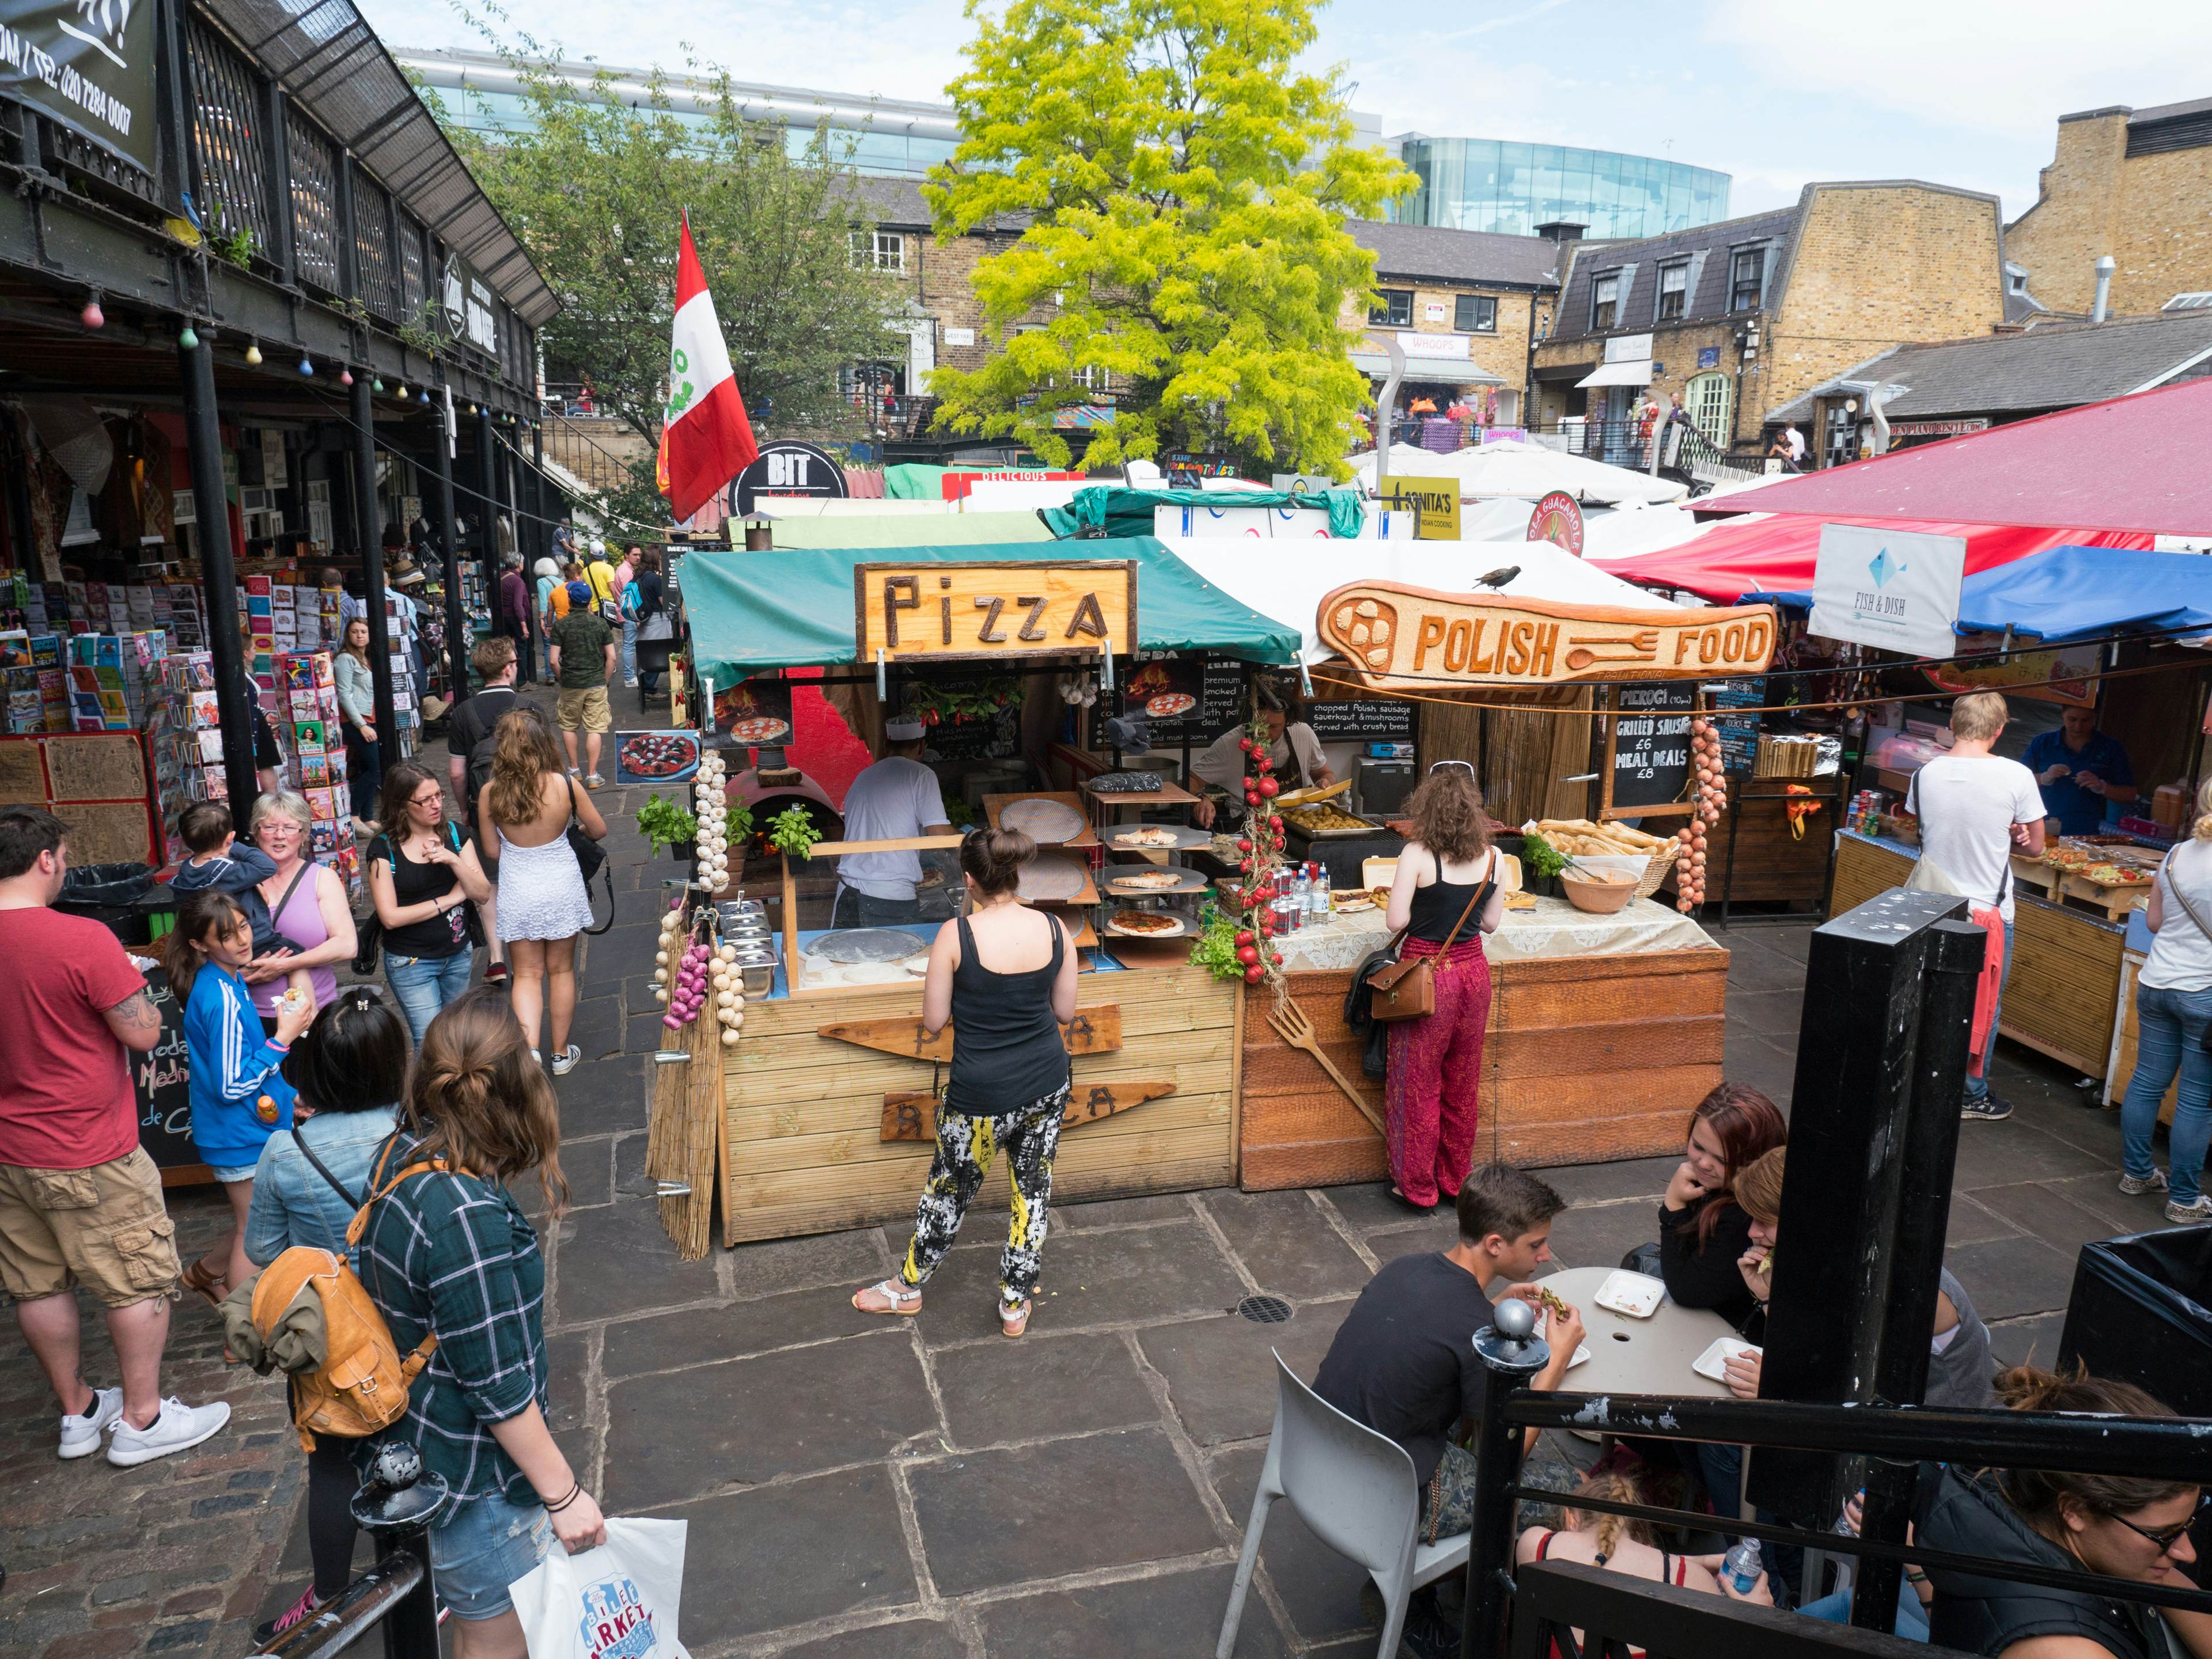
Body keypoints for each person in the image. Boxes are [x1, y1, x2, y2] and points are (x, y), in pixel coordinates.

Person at [355, 989, 606, 1650]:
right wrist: (564, 1497)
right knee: (502, 1639)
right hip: (475, 1482)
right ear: (520, 1090)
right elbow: (495, 1384)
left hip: (426, 1446)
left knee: (475, 1629)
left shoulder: (402, 1151)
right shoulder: (466, 1218)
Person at [0, 806, 232, 1467]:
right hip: (88, 1142)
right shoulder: (80, 938)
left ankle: (78, 1411)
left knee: (37, 1284)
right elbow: (142, 1031)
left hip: (10, 1149)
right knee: (138, 1279)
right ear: (46, 860)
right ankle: (142, 1418)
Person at [1314, 1164, 1586, 1659]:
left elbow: (1433, 1334)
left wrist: (1490, 1305)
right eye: (1536, 1245)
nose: (1546, 1256)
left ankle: (1419, 1598)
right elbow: (1504, 1457)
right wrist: (1559, 1359)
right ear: (1497, 1244)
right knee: (1575, 1491)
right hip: (1383, 1497)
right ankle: (1505, 1621)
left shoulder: (1404, 1267)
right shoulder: (1470, 1326)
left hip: (1314, 1459)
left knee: (1462, 1423)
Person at [850, 827, 1077, 1337]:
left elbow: (933, 1022)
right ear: (1015, 875)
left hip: (981, 1093)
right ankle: (1015, 1305)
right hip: (1047, 1080)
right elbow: (1065, 1012)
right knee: (1033, 1192)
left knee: (949, 1192)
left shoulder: (956, 935)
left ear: (969, 881)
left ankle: (906, 1289)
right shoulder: (1056, 928)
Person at [243, 987, 409, 1642]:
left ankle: (334, 1599)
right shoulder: (417, 1133)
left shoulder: (287, 1152)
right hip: (413, 1325)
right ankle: (433, 1577)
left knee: (334, 1465)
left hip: (335, 1336)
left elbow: (262, 1250)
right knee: (420, 1448)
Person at [1915, 1364, 2210, 1659]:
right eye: (2163, 1535)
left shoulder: (2013, 1511)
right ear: (2074, 1511)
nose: (2187, 1553)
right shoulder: (2066, 1650)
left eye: (2187, 1525)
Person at [1726, 1147, 1994, 1411]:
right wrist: (1768, 1295)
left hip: (1937, 1428)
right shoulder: (1843, 1251)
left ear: (1807, 1218)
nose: (1753, 1231)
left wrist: (1778, 1384)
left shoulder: (1887, 1283)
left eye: (1765, 1220)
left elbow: (1848, 1384)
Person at [1900, 692, 2046, 1122]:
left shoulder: (1925, 775)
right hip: (1989, 910)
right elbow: (2036, 847)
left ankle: (1921, 1077)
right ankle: (1970, 1092)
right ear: (2000, 729)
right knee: (1981, 1005)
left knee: (1928, 993)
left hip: (1932, 903)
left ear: (1955, 724)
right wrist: (2012, 837)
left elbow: (1925, 832)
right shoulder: (2017, 776)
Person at [167, 889, 316, 1304]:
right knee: (254, 1230)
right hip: (240, 1133)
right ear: (200, 944)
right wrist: (283, 1038)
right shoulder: (222, 997)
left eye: (244, 926)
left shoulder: (226, 979)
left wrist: (288, 1094)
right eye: (228, 935)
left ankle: (206, 1274)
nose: (244, 940)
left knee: (253, 1221)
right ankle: (241, 1328)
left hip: (247, 1125)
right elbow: (231, 1085)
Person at [1380, 762, 1506, 1211]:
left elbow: (1396, 920)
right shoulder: (1495, 857)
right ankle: (1455, 1181)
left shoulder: (1416, 854)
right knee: (1463, 1079)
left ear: (1425, 811)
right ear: (1474, 814)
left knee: (1417, 1081)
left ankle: (1416, 1187)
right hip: (1475, 973)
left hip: (1427, 973)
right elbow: (1490, 924)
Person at [479, 709, 604, 1073]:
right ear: (542, 743)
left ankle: (530, 1050)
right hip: (561, 883)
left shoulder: (491, 793)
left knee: (528, 974)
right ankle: (562, 1054)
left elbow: (491, 851)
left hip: (520, 886)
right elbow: (598, 829)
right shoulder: (565, 784)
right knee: (561, 971)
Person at [2118, 776, 2212, 1222]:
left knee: (2147, 1081)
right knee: (2196, 1098)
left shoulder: (2176, 855)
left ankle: (2137, 1174)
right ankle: (2185, 1199)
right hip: (2203, 994)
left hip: (2157, 981)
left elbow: (2153, 922)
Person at [1517, 1469, 1772, 1630]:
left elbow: (1607, 1558)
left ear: (1571, 1518)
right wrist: (1757, 1620)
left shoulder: (1536, 1546)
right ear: (1643, 1538)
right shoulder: (1693, 1582)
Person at [370, 762, 492, 1043]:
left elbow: (482, 892)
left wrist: (453, 860)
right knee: (428, 1042)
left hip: (458, 954)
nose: (436, 804)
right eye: (425, 800)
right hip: (412, 962)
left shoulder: (456, 835)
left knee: (457, 1038)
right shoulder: (384, 849)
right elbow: (390, 917)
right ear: (402, 805)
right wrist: (448, 900)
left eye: (439, 795)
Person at [1657, 1082, 1788, 1331]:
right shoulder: (1711, 1188)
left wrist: (1673, 1207)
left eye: (1721, 1160)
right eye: (1698, 1146)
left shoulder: (1743, 1214)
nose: (1703, 1164)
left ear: (1754, 1159)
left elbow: (1686, 1291)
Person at [169, 801, 317, 1011]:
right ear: (229, 837)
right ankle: (306, 1015)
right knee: (297, 962)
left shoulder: (188, 872)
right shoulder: (228, 870)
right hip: (254, 938)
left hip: (217, 945)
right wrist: (235, 847)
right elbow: (267, 866)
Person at [446, 635, 529, 985]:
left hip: (485, 807)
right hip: (528, 805)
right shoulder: (529, 707)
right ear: (509, 667)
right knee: (527, 871)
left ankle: (496, 958)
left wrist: (467, 810)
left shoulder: (462, 713)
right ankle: (530, 941)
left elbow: (456, 771)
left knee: (490, 883)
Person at [239, 793, 358, 1022]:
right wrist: (237, 975)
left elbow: (347, 945)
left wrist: (284, 965)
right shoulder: (237, 880)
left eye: (290, 828)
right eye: (270, 827)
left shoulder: (322, 878)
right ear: (256, 832)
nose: (279, 836)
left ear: (304, 835)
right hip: (250, 1012)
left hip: (315, 1011)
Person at [832, 718, 953, 927]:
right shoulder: (921, 774)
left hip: (847, 891)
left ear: (887, 746)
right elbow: (940, 835)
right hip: (888, 898)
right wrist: (969, 836)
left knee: (845, 959)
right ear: (922, 746)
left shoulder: (863, 776)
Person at [1190, 685, 1334, 828]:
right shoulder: (1229, 745)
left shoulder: (1303, 734)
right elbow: (1189, 780)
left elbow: (1325, 774)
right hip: (1251, 831)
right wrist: (1200, 799)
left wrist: (1326, 783)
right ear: (1249, 718)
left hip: (1299, 825)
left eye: (1274, 727)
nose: (1265, 732)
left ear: (1287, 721)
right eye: (1260, 725)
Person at [2024, 705, 2138, 839]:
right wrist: (2043, 777)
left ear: (2095, 718)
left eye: (2086, 721)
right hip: (2040, 826)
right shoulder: (2043, 743)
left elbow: (2130, 795)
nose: (2078, 727)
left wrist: (2102, 787)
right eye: (2072, 720)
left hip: (2084, 831)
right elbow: (2016, 782)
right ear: (2063, 715)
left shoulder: (2110, 747)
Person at [547, 578, 615, 787]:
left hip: (571, 683)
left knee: (569, 726)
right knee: (594, 728)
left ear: (569, 600)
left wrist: (561, 677)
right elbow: (611, 657)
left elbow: (552, 660)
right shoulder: (600, 624)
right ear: (589, 602)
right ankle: (593, 775)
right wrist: (604, 680)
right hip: (596, 682)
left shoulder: (561, 626)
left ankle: (574, 769)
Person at [335, 617, 381, 832]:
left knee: (368, 769)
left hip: (369, 718)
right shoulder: (346, 659)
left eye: (364, 631)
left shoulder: (365, 658)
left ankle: (367, 816)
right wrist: (361, 724)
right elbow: (344, 694)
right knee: (375, 769)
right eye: (355, 632)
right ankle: (353, 815)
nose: (360, 635)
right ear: (348, 635)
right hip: (357, 720)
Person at [623, 548, 668, 697]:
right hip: (657, 620)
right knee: (658, 653)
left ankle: (645, 686)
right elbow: (664, 603)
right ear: (655, 560)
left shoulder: (638, 576)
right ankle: (648, 688)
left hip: (644, 620)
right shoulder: (655, 579)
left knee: (646, 652)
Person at [498, 554, 535, 687]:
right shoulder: (517, 581)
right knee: (522, 648)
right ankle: (522, 681)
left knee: (504, 649)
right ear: (520, 564)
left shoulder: (500, 577)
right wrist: (524, 625)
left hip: (502, 617)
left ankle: (503, 679)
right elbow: (518, 605)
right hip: (515, 618)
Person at [612, 544, 639, 687]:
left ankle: (630, 676)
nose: (638, 558)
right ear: (626, 555)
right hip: (629, 614)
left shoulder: (625, 570)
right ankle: (629, 677)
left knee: (629, 645)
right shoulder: (626, 572)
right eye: (635, 555)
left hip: (624, 613)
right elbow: (629, 596)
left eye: (639, 555)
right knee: (629, 646)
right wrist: (636, 617)